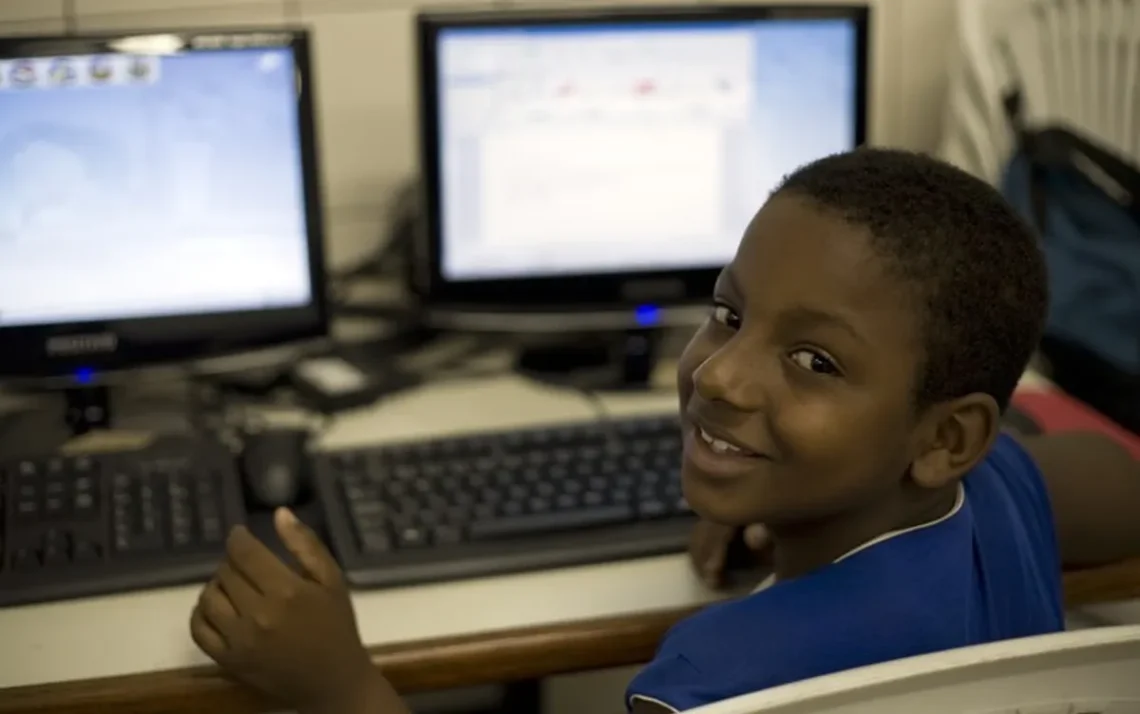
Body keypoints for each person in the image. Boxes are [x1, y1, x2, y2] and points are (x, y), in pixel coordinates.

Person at [188, 149, 1140, 714]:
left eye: (814, 362)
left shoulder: (711, 679)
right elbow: (1111, 475)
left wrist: (339, 684)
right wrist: (803, 489)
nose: (720, 374)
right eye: (729, 313)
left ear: (946, 439)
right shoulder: (994, 493)